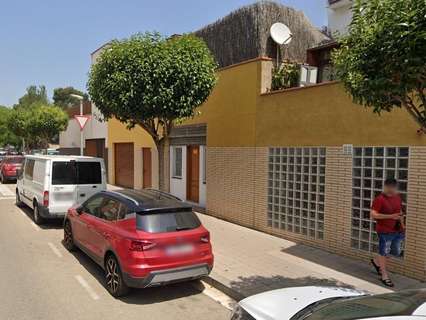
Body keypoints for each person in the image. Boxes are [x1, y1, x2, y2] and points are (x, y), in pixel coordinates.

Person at [370, 177, 405, 287]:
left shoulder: (398, 198)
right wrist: (390, 217)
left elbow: (400, 212)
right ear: (384, 187)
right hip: (384, 231)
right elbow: (373, 215)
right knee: (384, 252)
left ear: (395, 188)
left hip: (398, 230)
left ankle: (376, 261)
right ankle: (384, 275)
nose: (390, 190)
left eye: (392, 188)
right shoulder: (379, 199)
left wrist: (403, 225)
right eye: (388, 188)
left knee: (396, 252)